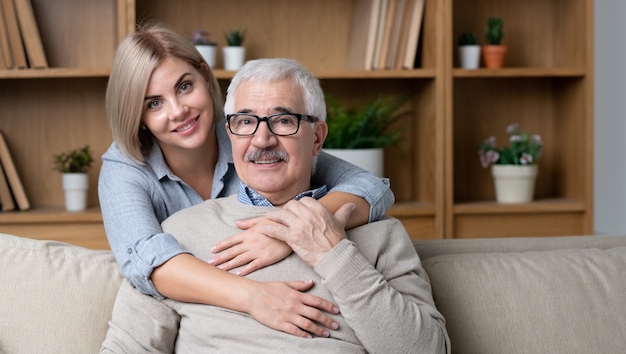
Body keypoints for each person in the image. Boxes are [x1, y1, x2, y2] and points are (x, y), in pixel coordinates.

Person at [100, 58, 449, 354]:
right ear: (230, 133)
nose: (262, 139)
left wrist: (333, 251)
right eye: (246, 121)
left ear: (317, 137)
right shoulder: (178, 237)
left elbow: (428, 349)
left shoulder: (378, 233)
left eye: (283, 120)